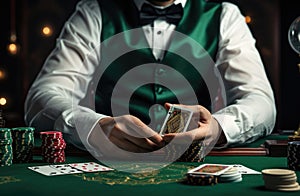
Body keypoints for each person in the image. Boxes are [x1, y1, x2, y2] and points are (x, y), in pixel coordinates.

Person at [24, 0, 276, 161]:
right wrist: (96, 127)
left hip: (190, 165)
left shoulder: (224, 15)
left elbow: (261, 103)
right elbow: (41, 98)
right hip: (112, 165)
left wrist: (217, 128)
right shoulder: (94, 12)